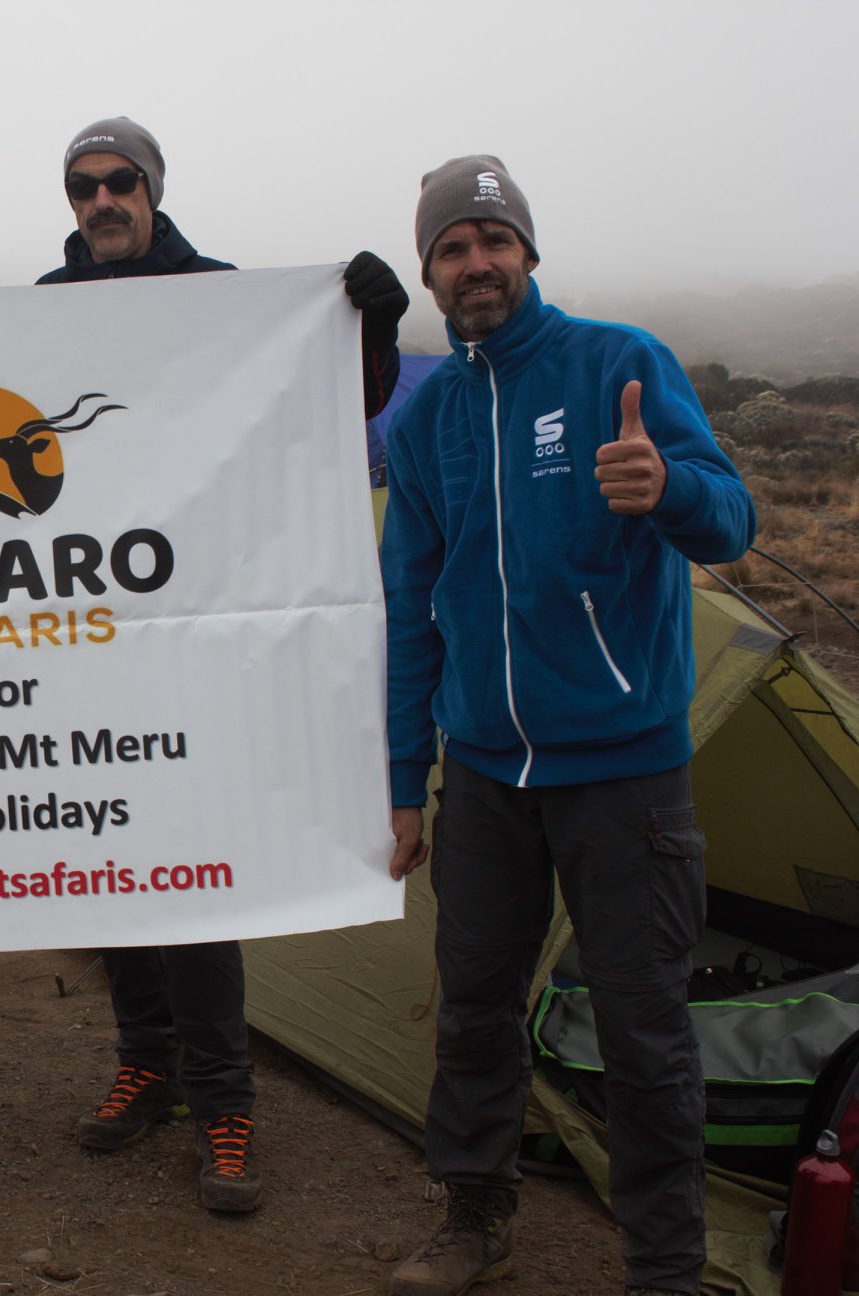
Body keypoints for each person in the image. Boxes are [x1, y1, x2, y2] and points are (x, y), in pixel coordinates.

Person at [381, 156, 755, 1296]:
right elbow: (410, 608)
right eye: (452, 247)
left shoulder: (617, 363)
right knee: (474, 1012)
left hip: (624, 775)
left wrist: (669, 488)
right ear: (430, 273)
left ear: (529, 253)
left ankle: (664, 1268)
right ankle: (474, 1219)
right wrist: (404, 778)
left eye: (494, 240)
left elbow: (731, 521)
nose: (476, 263)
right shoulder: (429, 415)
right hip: (486, 776)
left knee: (644, 1030)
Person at [38, 116, 410, 1216]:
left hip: (200, 634)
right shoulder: (41, 308)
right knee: (113, 864)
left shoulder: (226, 297)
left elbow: (334, 408)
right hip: (88, 634)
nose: (102, 201)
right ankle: (144, 1062)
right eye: (82, 187)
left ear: (153, 189)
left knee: (197, 872)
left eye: (121, 181)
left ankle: (223, 1100)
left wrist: (372, 333)